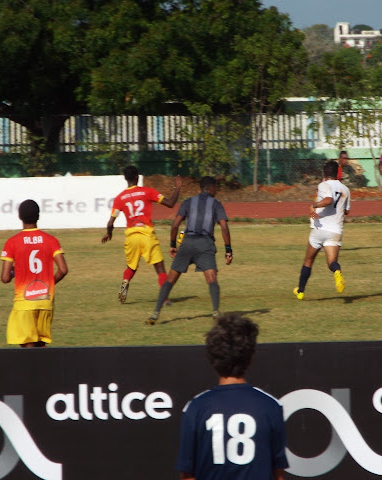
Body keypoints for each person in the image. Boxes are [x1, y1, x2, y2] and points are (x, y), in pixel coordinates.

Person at [176, 313, 288, 480]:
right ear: (250, 357)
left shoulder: (196, 407)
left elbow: (187, 474)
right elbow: (278, 473)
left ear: (212, 358)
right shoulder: (270, 406)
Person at [147, 176, 232, 325]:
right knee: (211, 278)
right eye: (216, 188)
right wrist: (228, 249)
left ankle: (155, 313)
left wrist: (173, 245)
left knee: (170, 280)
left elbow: (175, 226)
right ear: (211, 188)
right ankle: (216, 312)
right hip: (205, 244)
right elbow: (224, 227)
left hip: (187, 244)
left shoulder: (187, 202)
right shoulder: (216, 204)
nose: (216, 190)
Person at [101, 166, 182, 303]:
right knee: (160, 267)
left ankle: (125, 281)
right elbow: (170, 203)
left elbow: (110, 223)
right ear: (137, 177)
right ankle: (165, 298)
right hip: (146, 234)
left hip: (131, 236)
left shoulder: (120, 198)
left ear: (126, 179)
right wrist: (178, 187)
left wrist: (109, 234)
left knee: (131, 266)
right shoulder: (147, 192)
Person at [0, 199, 68, 347]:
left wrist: (13, 272)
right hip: (45, 301)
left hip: (25, 303)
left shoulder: (12, 242)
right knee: (39, 343)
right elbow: (63, 270)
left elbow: (5, 278)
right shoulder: (51, 240)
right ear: (38, 216)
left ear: (19, 217)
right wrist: (47, 284)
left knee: (28, 348)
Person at [293, 161, 350, 300]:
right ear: (337, 173)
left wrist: (314, 205)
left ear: (324, 174)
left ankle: (300, 291)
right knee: (331, 262)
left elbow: (329, 199)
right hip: (335, 231)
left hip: (320, 229)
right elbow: (346, 211)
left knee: (308, 260)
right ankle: (337, 271)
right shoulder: (345, 189)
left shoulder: (323, 185)